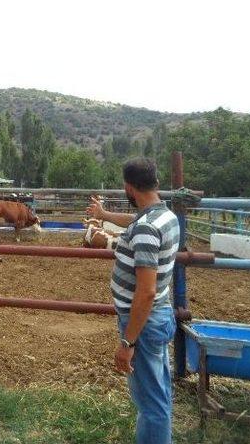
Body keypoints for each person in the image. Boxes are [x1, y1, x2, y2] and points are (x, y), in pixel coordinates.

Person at [87, 157, 179, 444]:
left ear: (129, 187)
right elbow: (137, 221)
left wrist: (127, 343)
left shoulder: (146, 229)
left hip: (143, 322)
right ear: (155, 183)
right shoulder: (165, 216)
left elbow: (146, 291)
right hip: (159, 316)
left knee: (151, 404)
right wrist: (104, 213)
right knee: (158, 392)